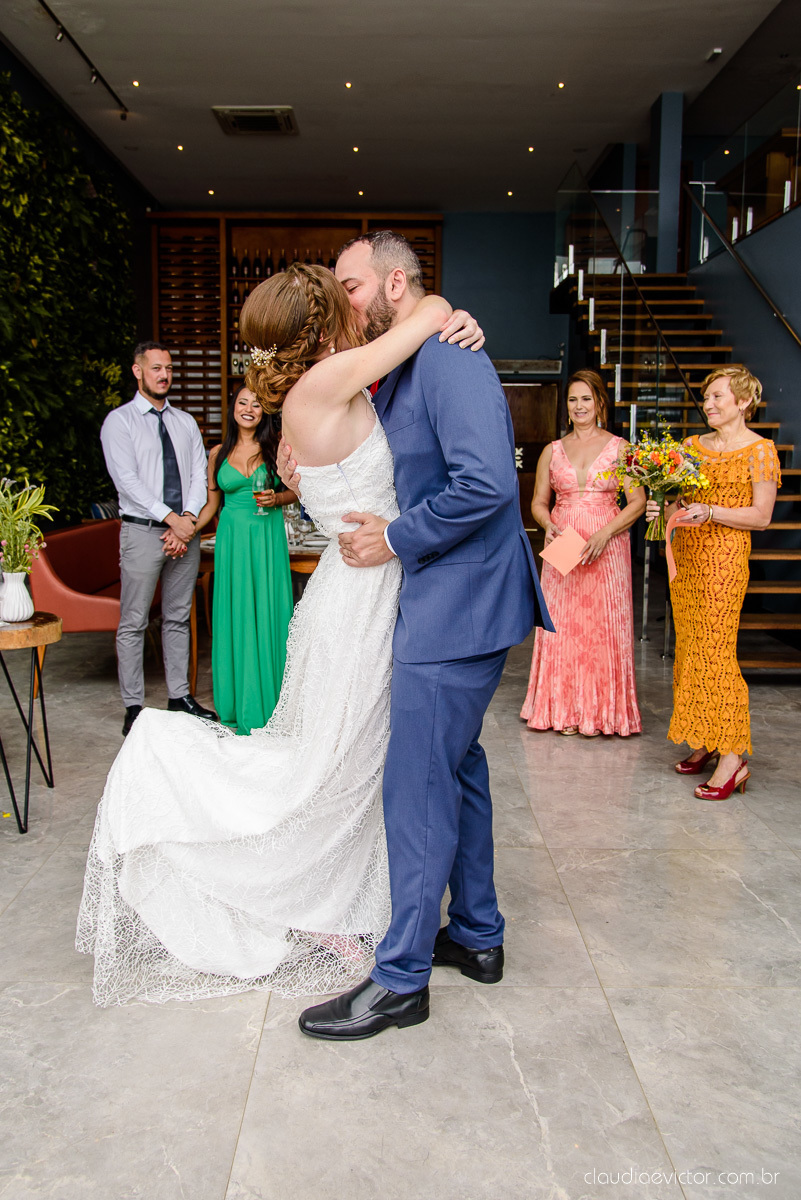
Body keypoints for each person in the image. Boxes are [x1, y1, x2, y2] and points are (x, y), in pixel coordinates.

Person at [76, 265, 483, 1007]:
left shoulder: (308, 396)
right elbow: (426, 310)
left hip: (349, 589)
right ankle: (320, 905)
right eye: (346, 297)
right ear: (325, 321)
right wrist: (453, 316)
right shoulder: (326, 385)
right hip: (361, 596)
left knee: (344, 755)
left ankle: (344, 904)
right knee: (336, 763)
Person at [280, 231, 553, 1041]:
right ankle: (476, 935)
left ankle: (398, 980)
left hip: (457, 604)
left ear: (395, 284)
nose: (343, 301)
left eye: (352, 286)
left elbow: (483, 485)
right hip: (437, 599)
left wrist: (394, 541)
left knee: (416, 784)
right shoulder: (404, 359)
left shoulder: (450, 358)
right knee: (457, 766)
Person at [646, 366, 779, 800]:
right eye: (706, 397)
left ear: (742, 402)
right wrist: (663, 512)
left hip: (724, 562)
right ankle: (704, 736)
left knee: (715, 654)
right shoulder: (690, 447)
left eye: (718, 397)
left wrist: (712, 511)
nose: (708, 404)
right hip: (686, 559)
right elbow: (680, 503)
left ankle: (733, 757)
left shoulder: (761, 451)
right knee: (688, 648)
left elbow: (761, 517)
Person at [100, 342, 216, 737]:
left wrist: (185, 521)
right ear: (138, 371)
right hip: (142, 533)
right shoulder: (120, 422)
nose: (164, 375)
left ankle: (179, 696)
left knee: (178, 618)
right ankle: (134, 706)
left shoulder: (185, 423)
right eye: (156, 368)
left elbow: (199, 477)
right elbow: (127, 482)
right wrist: (172, 519)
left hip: (183, 532)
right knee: (133, 621)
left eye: (168, 368)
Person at [163, 386, 295, 734]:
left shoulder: (275, 447)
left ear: (264, 410)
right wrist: (186, 530)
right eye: (242, 403)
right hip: (232, 542)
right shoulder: (217, 454)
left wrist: (276, 498)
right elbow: (210, 506)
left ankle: (271, 705)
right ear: (233, 408)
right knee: (235, 616)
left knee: (267, 614)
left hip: (265, 540)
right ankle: (238, 703)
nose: (249, 409)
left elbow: (297, 491)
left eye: (256, 403)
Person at [520, 369, 644, 738]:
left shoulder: (622, 448)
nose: (579, 406)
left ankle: (603, 713)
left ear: (599, 403)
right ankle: (562, 709)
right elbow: (538, 502)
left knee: (603, 627)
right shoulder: (552, 451)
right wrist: (548, 525)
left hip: (607, 544)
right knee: (562, 626)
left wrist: (605, 533)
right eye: (573, 400)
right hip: (564, 543)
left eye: (586, 399)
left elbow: (637, 503)